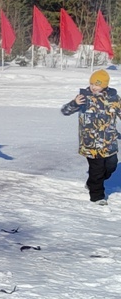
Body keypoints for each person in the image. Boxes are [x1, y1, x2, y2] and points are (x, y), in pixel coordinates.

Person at [60, 69, 121, 205]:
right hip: (91, 143)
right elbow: (65, 111)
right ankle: (97, 196)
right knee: (97, 169)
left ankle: (93, 182)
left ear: (105, 85)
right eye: (92, 83)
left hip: (109, 142)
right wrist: (74, 103)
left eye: (97, 84)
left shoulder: (114, 99)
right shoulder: (84, 98)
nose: (94, 87)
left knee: (111, 166)